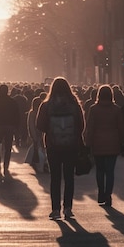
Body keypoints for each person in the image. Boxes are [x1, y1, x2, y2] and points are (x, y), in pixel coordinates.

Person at [36, 77, 85, 220]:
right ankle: (68, 208)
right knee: (69, 177)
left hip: (52, 145)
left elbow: (40, 125)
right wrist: (74, 134)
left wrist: (51, 131)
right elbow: (81, 124)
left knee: (55, 178)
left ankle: (55, 209)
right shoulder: (74, 104)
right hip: (71, 145)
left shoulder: (46, 105)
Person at [83, 85, 124, 206]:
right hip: (113, 142)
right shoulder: (116, 109)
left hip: (97, 142)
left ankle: (101, 192)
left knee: (100, 170)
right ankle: (108, 194)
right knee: (110, 171)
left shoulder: (94, 109)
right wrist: (122, 142)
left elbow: (90, 127)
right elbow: (121, 127)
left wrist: (88, 143)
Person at [25, 95, 47, 173]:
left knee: (36, 149)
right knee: (38, 150)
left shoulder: (32, 113)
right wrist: (34, 136)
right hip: (38, 134)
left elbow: (30, 125)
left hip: (38, 134)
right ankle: (40, 165)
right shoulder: (34, 113)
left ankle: (34, 161)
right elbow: (32, 125)